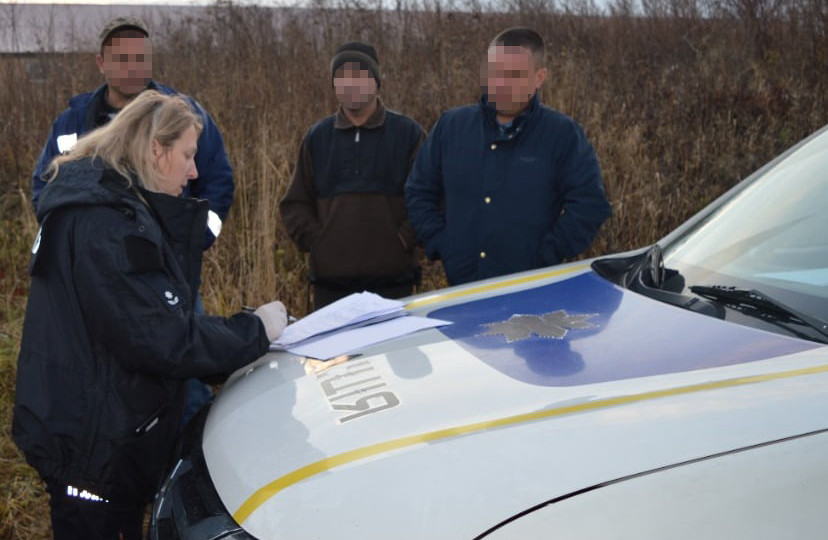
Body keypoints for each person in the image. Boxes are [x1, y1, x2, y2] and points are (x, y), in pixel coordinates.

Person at [12, 91, 287, 540]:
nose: (194, 171)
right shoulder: (107, 223)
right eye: (187, 155)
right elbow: (161, 339)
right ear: (156, 151)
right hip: (94, 452)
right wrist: (256, 329)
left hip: (88, 437)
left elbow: (146, 319)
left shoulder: (101, 205)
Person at [405, 27, 611, 286]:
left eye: (514, 75)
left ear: (539, 77)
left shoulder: (562, 134)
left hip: (529, 291)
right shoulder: (451, 126)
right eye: (495, 73)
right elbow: (419, 191)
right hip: (462, 288)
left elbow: (590, 206)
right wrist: (442, 244)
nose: (501, 84)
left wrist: (544, 256)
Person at [31, 16, 234, 251]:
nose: (132, 68)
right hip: (90, 264)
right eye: (122, 59)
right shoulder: (72, 122)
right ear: (101, 63)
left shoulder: (183, 116)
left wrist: (194, 238)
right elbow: (44, 186)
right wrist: (70, 238)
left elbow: (218, 182)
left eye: (140, 59)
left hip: (166, 262)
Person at [280, 41, 425, 309]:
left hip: (394, 286)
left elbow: (428, 197)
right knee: (332, 353)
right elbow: (295, 204)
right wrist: (320, 242)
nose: (351, 84)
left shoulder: (407, 134)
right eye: (342, 77)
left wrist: (402, 239)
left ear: (376, 81)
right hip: (331, 290)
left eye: (359, 75)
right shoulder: (318, 137)